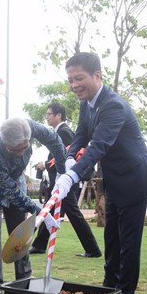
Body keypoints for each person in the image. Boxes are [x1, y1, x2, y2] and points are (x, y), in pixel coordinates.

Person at [52, 52, 147, 294]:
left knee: (128, 242)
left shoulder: (113, 105)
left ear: (97, 75)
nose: (74, 85)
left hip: (133, 178)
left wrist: (74, 176)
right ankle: (109, 287)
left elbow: (98, 145)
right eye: (70, 80)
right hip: (112, 178)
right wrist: (66, 161)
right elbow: (81, 136)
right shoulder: (87, 104)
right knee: (111, 237)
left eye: (79, 78)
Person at [0, 117, 66, 294]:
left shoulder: (30, 126)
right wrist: (42, 212)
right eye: (14, 150)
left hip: (15, 179)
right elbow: (11, 192)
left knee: (20, 230)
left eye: (24, 149)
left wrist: (62, 171)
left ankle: (24, 280)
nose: (20, 154)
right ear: (5, 143)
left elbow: (54, 141)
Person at [29, 102, 101, 258]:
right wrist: (47, 164)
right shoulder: (60, 131)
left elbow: (68, 157)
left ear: (58, 115)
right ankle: (39, 245)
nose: (46, 117)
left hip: (65, 182)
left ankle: (93, 249)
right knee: (49, 211)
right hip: (61, 181)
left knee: (72, 214)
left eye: (49, 114)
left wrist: (46, 164)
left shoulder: (64, 132)